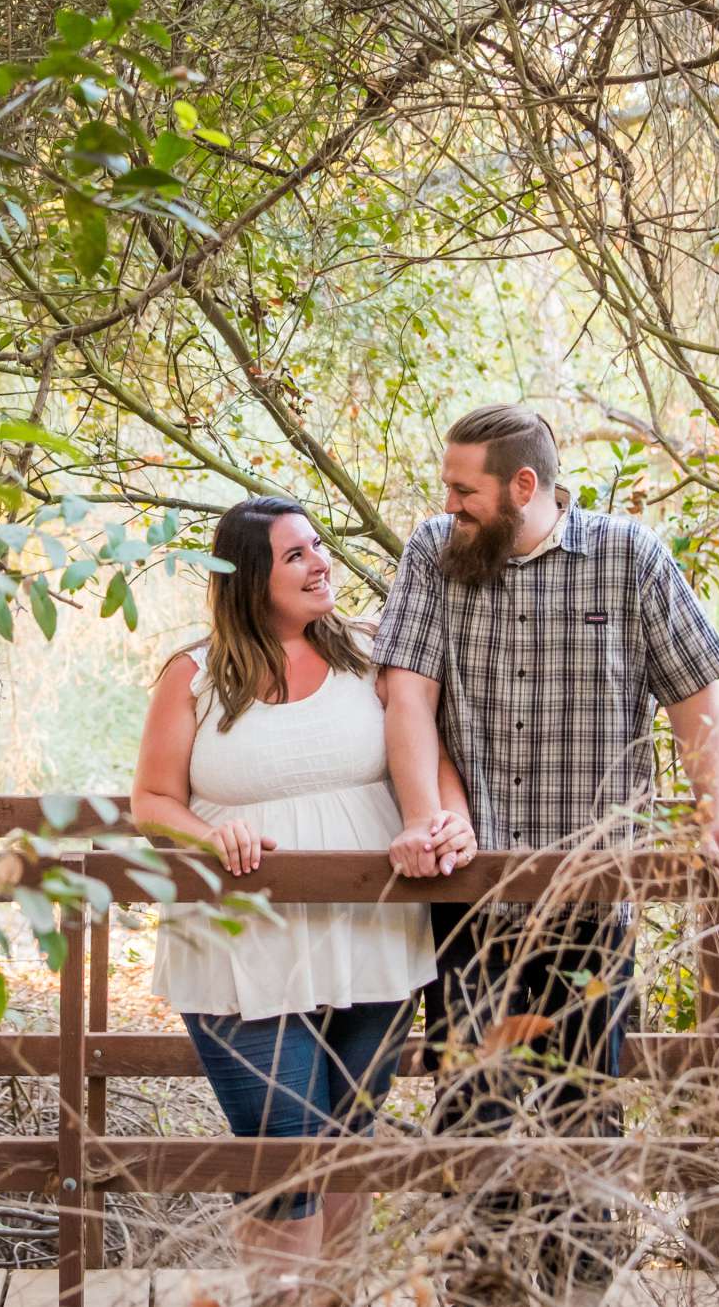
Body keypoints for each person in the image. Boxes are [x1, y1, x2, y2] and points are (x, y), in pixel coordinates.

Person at [372, 403, 719, 1284]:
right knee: (476, 1106)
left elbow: (698, 702)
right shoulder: (436, 553)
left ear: (525, 486)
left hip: (593, 897)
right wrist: (426, 817)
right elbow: (407, 698)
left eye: (464, 489)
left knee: (582, 1109)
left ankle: (580, 1290)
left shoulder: (629, 557)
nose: (449, 502)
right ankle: (482, 1289)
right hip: (473, 896)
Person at [133, 496, 473, 1304]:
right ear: (252, 578)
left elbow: (426, 755)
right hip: (243, 945)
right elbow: (151, 801)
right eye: (296, 555)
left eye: (319, 547)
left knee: (350, 1142)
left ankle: (337, 1295)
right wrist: (211, 839)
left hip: (373, 937)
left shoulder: (370, 655)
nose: (322, 562)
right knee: (284, 1146)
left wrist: (448, 821)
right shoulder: (193, 673)